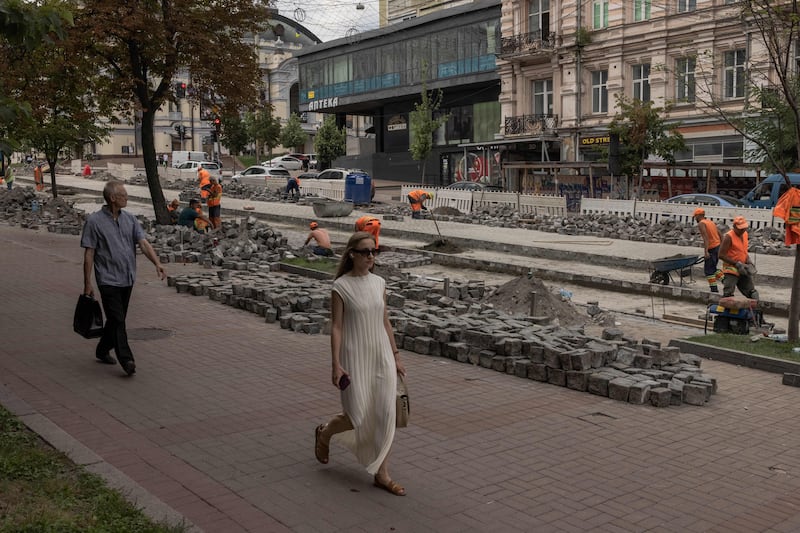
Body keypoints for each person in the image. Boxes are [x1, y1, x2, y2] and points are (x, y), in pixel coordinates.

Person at [314, 232, 407, 496]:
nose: (370, 257)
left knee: (385, 413)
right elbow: (337, 327)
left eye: (374, 252)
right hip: (355, 356)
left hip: (381, 355)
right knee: (358, 413)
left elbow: (385, 320)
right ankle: (325, 432)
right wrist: (335, 364)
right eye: (365, 252)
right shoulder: (341, 287)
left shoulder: (379, 283)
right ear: (352, 254)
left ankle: (382, 474)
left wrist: (396, 355)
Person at [80, 181, 166, 376]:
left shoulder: (130, 219)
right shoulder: (94, 222)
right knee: (118, 319)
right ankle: (127, 360)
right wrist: (87, 283)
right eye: (123, 195)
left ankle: (102, 349)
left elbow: (143, 243)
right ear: (112, 198)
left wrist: (157, 263)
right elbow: (89, 254)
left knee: (116, 320)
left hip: (127, 278)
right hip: (107, 279)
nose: (126, 198)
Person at [719, 215, 759, 300]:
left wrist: (748, 260)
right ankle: (727, 312)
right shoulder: (728, 237)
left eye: (744, 228)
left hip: (743, 269)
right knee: (728, 294)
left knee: (752, 293)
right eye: (740, 229)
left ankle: (753, 312)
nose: (742, 230)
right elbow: (721, 255)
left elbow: (743, 250)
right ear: (734, 227)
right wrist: (736, 263)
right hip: (731, 270)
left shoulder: (745, 234)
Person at [693, 208, 724, 292]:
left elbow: (706, 238)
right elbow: (720, 234)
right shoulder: (710, 222)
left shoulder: (701, 224)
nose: (695, 218)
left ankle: (714, 289)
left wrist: (706, 252)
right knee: (713, 268)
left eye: (695, 216)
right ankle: (725, 280)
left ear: (699, 216)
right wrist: (722, 246)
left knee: (708, 271)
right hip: (717, 247)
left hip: (712, 248)